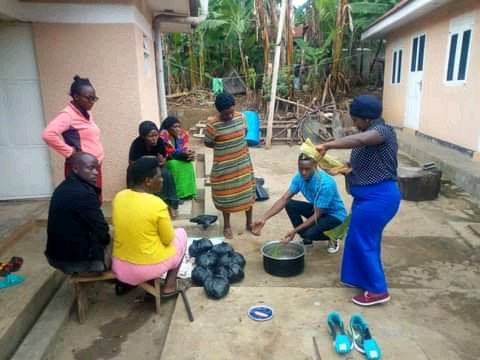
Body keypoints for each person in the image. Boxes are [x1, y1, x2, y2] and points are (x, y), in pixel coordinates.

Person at [315, 94, 401, 307]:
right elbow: (368, 159)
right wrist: (345, 168)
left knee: (364, 242)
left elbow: (360, 140)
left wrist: (329, 145)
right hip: (367, 197)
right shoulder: (369, 132)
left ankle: (377, 290)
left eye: (355, 119)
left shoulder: (382, 131)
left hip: (378, 198)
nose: (353, 123)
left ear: (367, 119)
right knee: (356, 238)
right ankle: (358, 278)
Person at [112, 157, 187, 296]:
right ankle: (169, 285)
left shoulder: (119, 197)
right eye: (159, 176)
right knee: (181, 234)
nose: (162, 180)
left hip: (120, 267)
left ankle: (132, 284)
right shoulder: (156, 204)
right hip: (146, 268)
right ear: (148, 181)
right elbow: (167, 240)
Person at [252, 153, 347, 253]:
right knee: (289, 204)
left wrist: (294, 231)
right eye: (300, 168)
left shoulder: (326, 184)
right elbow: (284, 199)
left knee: (307, 233)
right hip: (317, 208)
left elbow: (316, 215)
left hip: (334, 216)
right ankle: (307, 239)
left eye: (307, 169)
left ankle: (334, 235)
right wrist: (264, 218)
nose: (303, 172)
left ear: (315, 167)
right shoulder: (299, 178)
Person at [45, 152, 110, 273]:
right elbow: (102, 231)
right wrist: (107, 243)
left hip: (55, 256)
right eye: (90, 168)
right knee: (116, 239)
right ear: (75, 168)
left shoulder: (64, 186)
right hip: (74, 262)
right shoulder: (84, 193)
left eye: (97, 168)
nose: (96, 172)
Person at [204, 92, 256, 239]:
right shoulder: (213, 124)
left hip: (243, 163)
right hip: (224, 168)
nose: (229, 116)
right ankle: (227, 225)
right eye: (226, 114)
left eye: (231, 112)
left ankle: (249, 223)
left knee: (248, 193)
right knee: (226, 196)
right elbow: (208, 143)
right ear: (219, 111)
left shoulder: (241, 117)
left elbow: (244, 132)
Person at [42, 75, 103, 191]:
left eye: (94, 98)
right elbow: (48, 134)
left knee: (95, 200)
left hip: (94, 165)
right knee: (83, 201)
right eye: (89, 98)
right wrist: (70, 152)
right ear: (76, 97)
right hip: (82, 169)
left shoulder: (86, 113)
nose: (92, 102)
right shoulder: (68, 115)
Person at [129, 121, 179, 217]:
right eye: (150, 136)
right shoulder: (136, 144)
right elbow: (132, 162)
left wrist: (162, 161)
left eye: (156, 135)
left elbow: (163, 159)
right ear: (143, 136)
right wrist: (147, 159)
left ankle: (171, 204)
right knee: (130, 172)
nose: (154, 138)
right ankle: (136, 203)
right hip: (141, 170)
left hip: (156, 168)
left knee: (166, 174)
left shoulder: (160, 141)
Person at [159, 116, 197, 200]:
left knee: (188, 164)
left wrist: (188, 155)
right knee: (174, 164)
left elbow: (181, 150)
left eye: (179, 126)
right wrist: (183, 155)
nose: (178, 129)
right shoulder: (163, 135)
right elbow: (169, 153)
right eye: (175, 126)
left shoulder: (179, 136)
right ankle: (177, 194)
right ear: (168, 127)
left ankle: (188, 193)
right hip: (166, 160)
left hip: (175, 157)